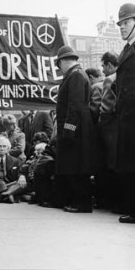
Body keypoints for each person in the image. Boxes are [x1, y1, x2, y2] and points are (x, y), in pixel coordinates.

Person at [54, 45, 94, 213]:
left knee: (77, 166)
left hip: (76, 129)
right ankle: (77, 201)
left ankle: (82, 203)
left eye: (59, 65)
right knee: (75, 165)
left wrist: (68, 130)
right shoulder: (76, 74)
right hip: (78, 128)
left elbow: (75, 106)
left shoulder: (75, 76)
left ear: (63, 61)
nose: (59, 68)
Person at [114, 3, 135, 223]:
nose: (122, 27)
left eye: (126, 22)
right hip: (127, 116)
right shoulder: (127, 49)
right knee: (129, 164)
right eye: (120, 23)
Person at [95, 51, 121, 211]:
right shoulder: (127, 77)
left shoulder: (109, 80)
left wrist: (99, 127)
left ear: (110, 65)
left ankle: (114, 203)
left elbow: (105, 109)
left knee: (111, 166)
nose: (103, 71)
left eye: (103, 66)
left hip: (111, 131)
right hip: (124, 129)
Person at [0, 136, 27, 203]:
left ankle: (3, 195)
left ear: (8, 148)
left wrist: (22, 176)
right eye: (0, 146)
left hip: (10, 185)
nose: (2, 149)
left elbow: (19, 172)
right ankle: (6, 196)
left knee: (22, 184)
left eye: (4, 146)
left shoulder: (15, 160)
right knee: (0, 184)